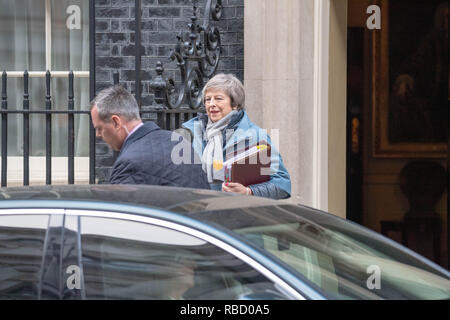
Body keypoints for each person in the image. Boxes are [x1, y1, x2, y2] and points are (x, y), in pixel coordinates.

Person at [180, 73, 291, 199]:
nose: (211, 104)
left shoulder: (256, 137)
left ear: (235, 104)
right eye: (207, 99)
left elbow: (283, 185)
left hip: (237, 213)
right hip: (198, 211)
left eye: (218, 98)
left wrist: (248, 192)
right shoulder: (191, 133)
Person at [90, 85, 210, 189]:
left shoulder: (129, 164)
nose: (98, 135)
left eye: (99, 128)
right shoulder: (177, 141)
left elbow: (120, 213)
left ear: (116, 122)